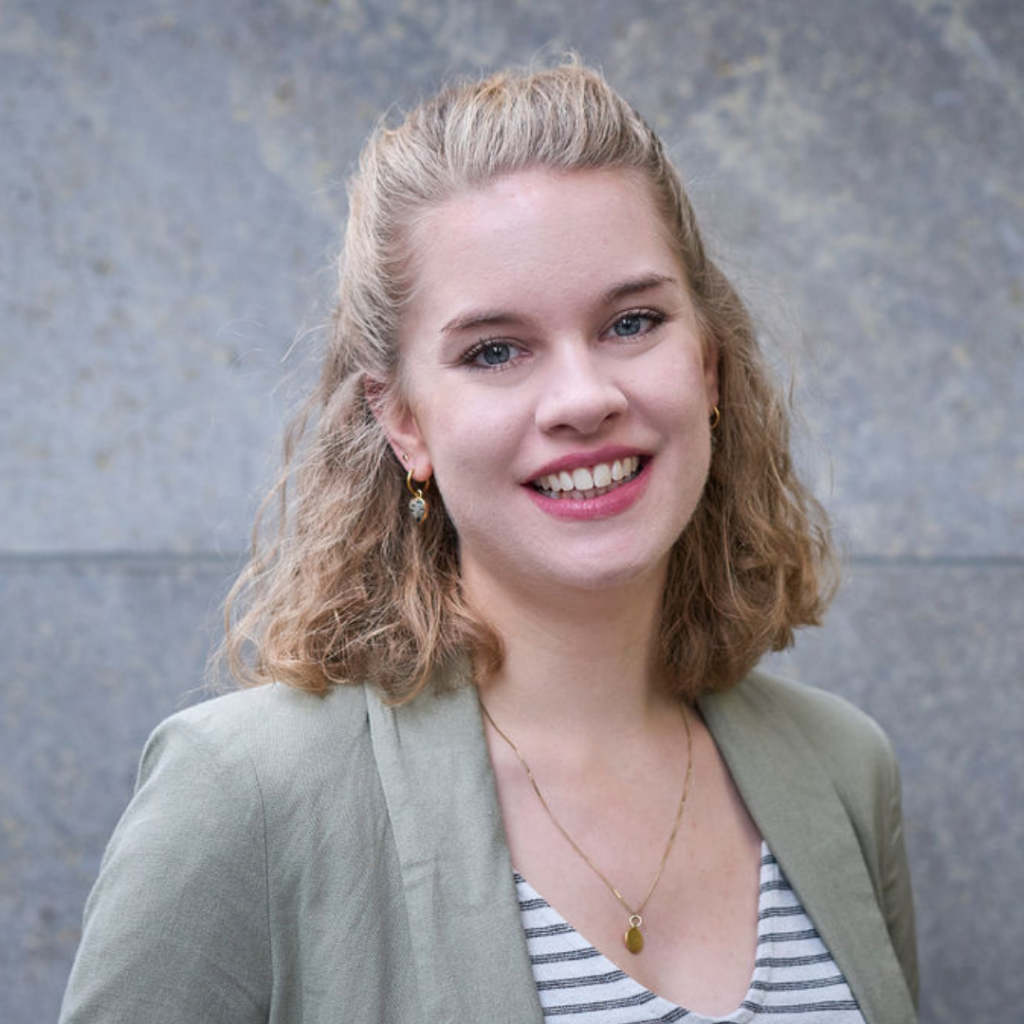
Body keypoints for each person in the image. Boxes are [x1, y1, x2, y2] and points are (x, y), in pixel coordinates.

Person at [60, 61, 918, 1024]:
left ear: (708, 367)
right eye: (495, 350)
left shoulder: (842, 770)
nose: (584, 398)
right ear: (403, 421)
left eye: (632, 322)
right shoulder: (245, 795)